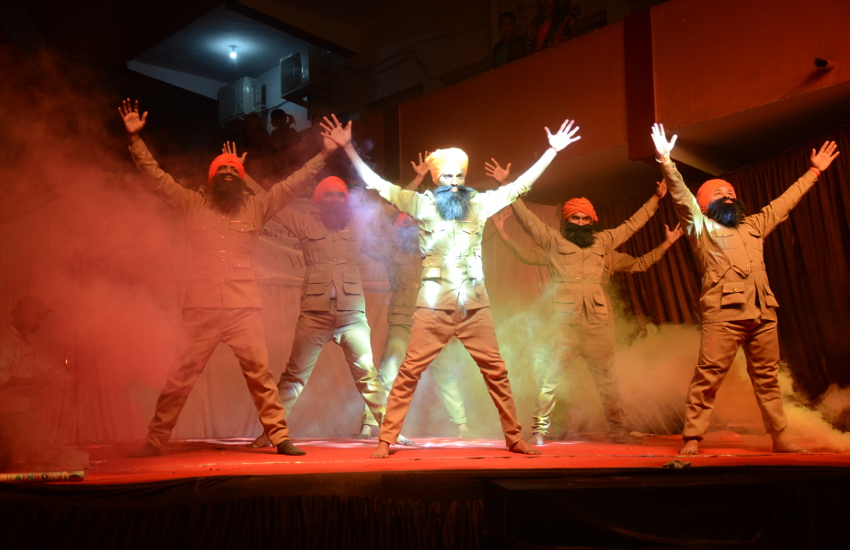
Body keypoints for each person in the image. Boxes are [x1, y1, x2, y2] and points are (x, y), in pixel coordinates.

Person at [323, 114, 581, 458]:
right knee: (409, 373)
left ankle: (514, 437)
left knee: (497, 372)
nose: (455, 182)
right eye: (447, 177)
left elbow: (519, 186)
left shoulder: (479, 204)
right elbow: (378, 184)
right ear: (437, 180)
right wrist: (348, 148)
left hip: (475, 307)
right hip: (433, 307)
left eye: (459, 176)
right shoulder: (421, 204)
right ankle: (386, 439)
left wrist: (552, 151)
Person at [118, 99, 340, 458]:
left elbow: (291, 185)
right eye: (221, 170)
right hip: (201, 309)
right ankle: (155, 440)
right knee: (180, 377)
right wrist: (135, 140)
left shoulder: (256, 206)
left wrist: (325, 154)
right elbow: (157, 178)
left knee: (260, 376)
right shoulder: (192, 203)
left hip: (242, 309)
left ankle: (280, 436)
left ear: (241, 178)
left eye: (233, 170)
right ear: (211, 178)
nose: (227, 174)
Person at [650, 123, 839, 455]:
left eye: (731, 193)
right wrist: (666, 161)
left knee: (767, 379)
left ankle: (780, 437)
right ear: (704, 206)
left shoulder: (753, 224)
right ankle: (692, 438)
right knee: (708, 378)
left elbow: (784, 203)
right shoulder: (700, 227)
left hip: (763, 312)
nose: (728, 196)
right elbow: (680, 195)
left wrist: (813, 172)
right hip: (724, 315)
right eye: (719, 194)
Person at [485, 163, 682, 444]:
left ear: (592, 221)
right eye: (574, 218)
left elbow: (632, 226)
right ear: (567, 220)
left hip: (597, 323)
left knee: (607, 380)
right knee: (550, 379)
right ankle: (540, 430)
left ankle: (618, 429)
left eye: (584, 218)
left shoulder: (604, 242)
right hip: (563, 324)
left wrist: (656, 199)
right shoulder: (553, 242)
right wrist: (506, 186)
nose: (579, 222)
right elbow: (527, 220)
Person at [247, 174, 397, 446]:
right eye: (329, 195)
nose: (335, 200)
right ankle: (271, 433)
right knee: (294, 377)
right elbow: (272, 203)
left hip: (352, 316)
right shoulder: (304, 222)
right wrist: (246, 177)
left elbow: (388, 208)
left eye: (340, 195)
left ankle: (391, 431)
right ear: (318, 200)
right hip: (314, 316)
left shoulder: (358, 224)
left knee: (368, 376)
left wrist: (416, 179)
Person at [359, 154, 471, 440]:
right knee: (389, 369)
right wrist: (417, 179)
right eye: (406, 226)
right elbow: (377, 221)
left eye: (415, 226)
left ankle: (461, 425)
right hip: (403, 320)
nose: (411, 230)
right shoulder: (390, 251)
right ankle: (369, 424)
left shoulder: (435, 250)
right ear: (399, 231)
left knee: (445, 371)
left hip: (433, 319)